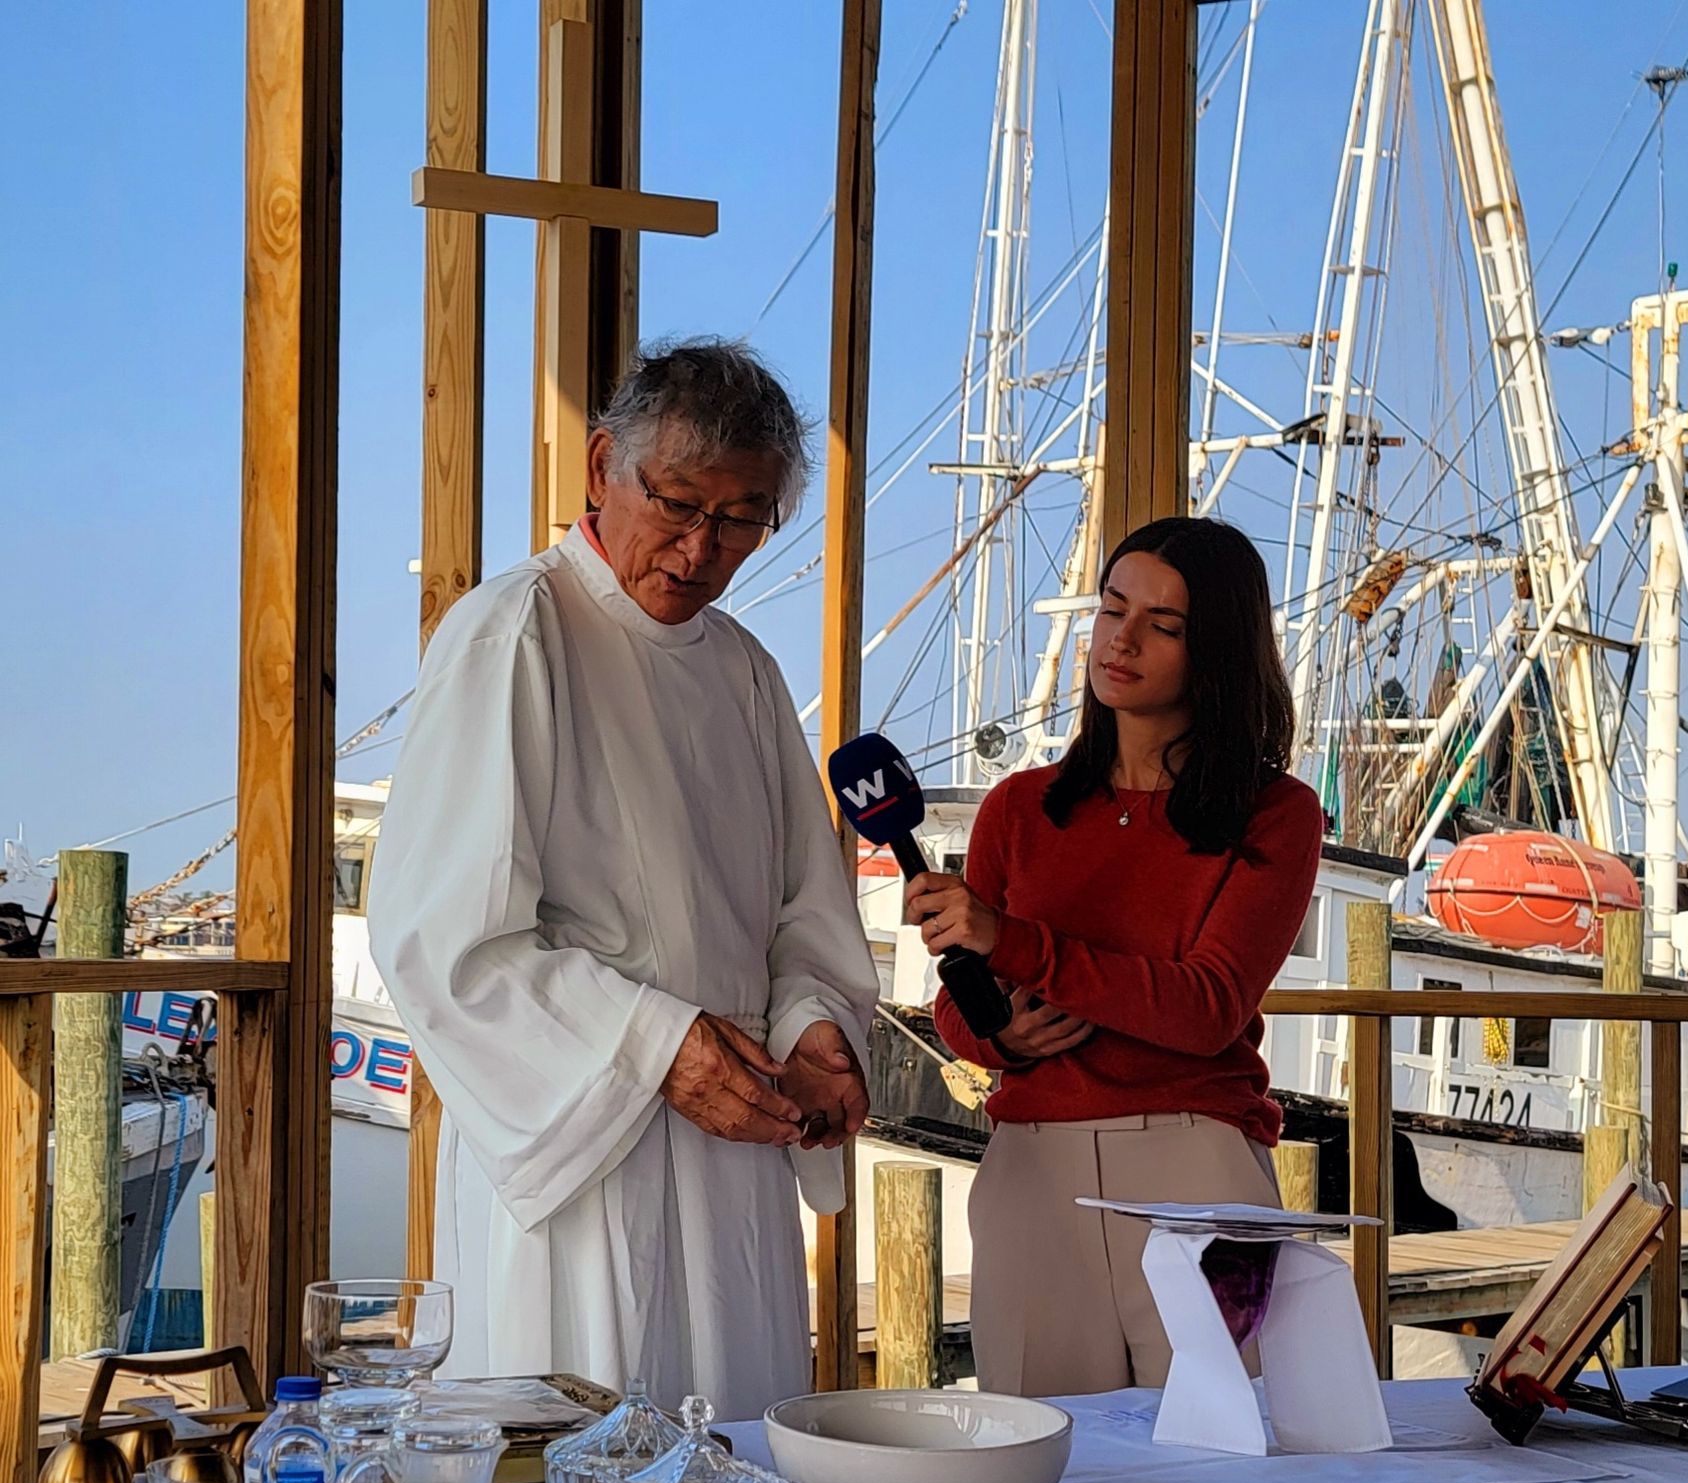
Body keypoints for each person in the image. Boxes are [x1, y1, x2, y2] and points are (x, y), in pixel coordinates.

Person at [370, 337, 878, 1420]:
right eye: (679, 504)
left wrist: (815, 1027)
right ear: (603, 467)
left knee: (731, 1475)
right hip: (583, 1148)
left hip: (737, 1141)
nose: (702, 549)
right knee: (580, 1472)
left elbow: (801, 908)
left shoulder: (743, 669)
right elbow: (445, 937)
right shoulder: (517, 631)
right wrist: (657, 1044)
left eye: (741, 519)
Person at [908, 516, 1322, 1396]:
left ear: (1213, 651)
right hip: (1032, 1167)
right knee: (1037, 1466)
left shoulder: (1275, 812)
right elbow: (955, 1004)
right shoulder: (1017, 808)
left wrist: (1014, 941)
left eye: (1163, 625)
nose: (1121, 640)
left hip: (1199, 1162)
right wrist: (1003, 1037)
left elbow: (1208, 1007)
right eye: (1111, 608)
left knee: (1223, 1460)